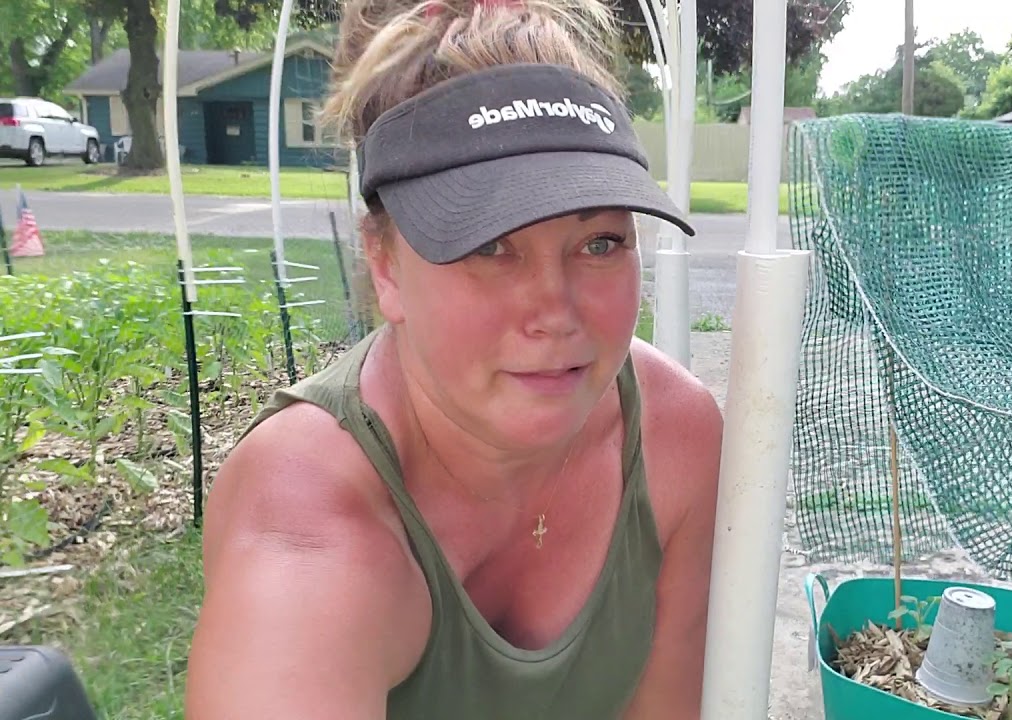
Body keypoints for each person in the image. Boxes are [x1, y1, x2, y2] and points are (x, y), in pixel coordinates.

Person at [184, 0, 725, 718]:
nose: (556, 313)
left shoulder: (674, 437)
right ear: (384, 265)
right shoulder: (308, 523)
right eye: (488, 247)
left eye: (600, 243)